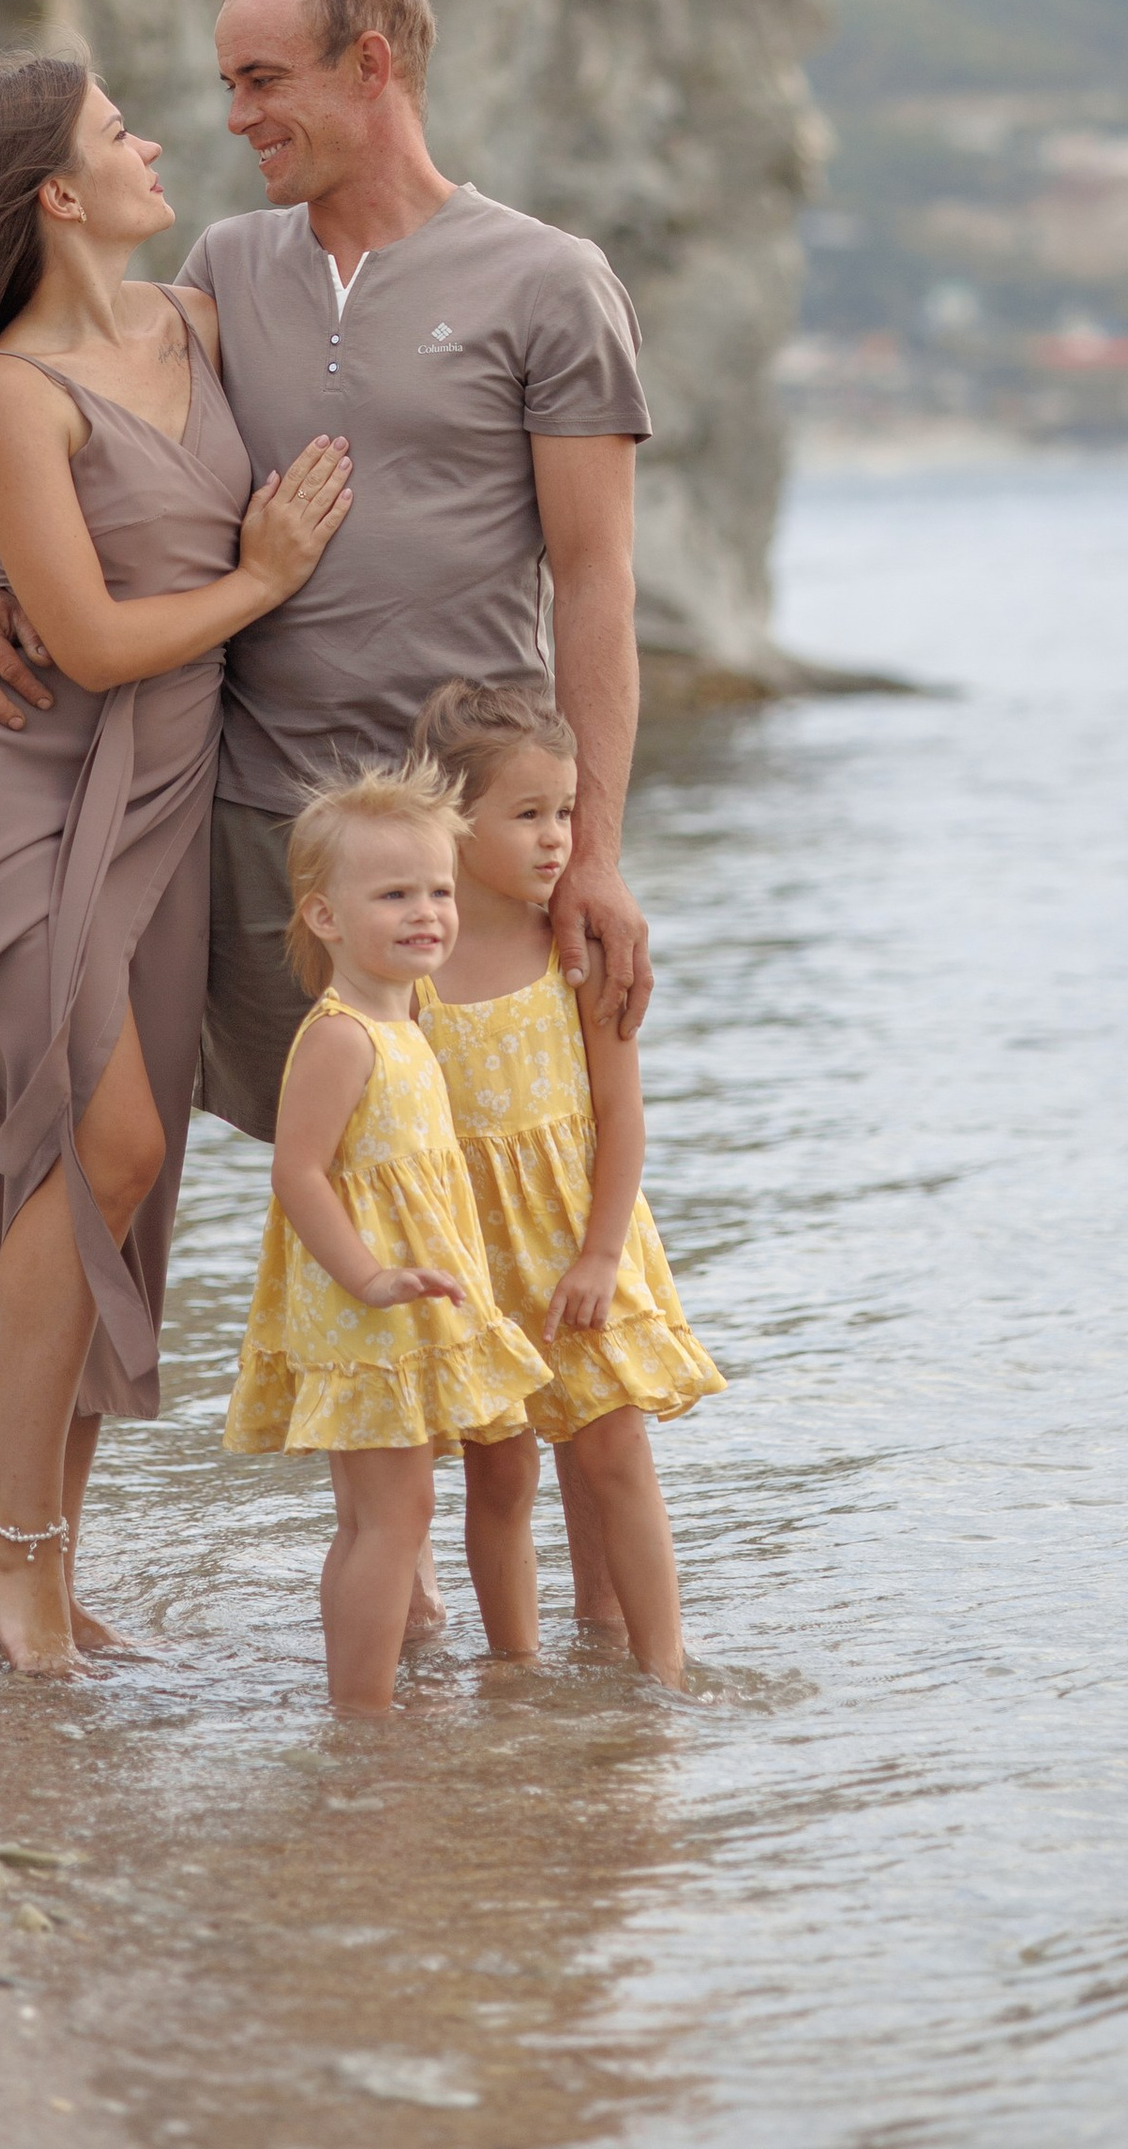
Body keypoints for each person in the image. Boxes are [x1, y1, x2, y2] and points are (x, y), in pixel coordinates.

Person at [0, 0, 656, 1113]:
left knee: (504, 1183)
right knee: (325, 1181)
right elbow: (67, 407)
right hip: (267, 825)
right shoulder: (226, 267)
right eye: (226, 86)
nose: (233, 118)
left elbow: (596, 579)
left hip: (466, 826)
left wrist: (598, 856)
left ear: (368, 67)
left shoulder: (551, 281)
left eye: (262, 82)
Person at [0, 53, 352, 1677]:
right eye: (120, 133)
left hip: (161, 798)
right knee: (105, 1137)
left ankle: (44, 1572)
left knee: (117, 1178)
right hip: (18, 791)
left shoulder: (195, 321)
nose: (159, 147)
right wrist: (266, 576)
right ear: (60, 195)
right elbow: (85, 634)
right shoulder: (9, 388)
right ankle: (6, 1547)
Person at [408, 679, 721, 1688]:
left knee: (616, 1454)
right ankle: (515, 1676)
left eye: (568, 813)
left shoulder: (573, 955)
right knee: (496, 1477)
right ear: (451, 824)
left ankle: (661, 1671)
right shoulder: (410, 973)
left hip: (584, 1247)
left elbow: (621, 1116)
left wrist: (597, 1255)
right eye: (530, 815)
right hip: (475, 1267)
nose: (557, 841)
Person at [222, 768, 551, 1712]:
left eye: (440, 891)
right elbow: (299, 1173)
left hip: (408, 1310)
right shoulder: (341, 1037)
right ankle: (361, 1713)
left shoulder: (405, 1019)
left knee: (400, 1511)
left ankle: (384, 1689)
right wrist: (367, 1277)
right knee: (389, 1518)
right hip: (368, 1316)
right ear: (325, 918)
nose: (427, 913)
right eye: (395, 895)